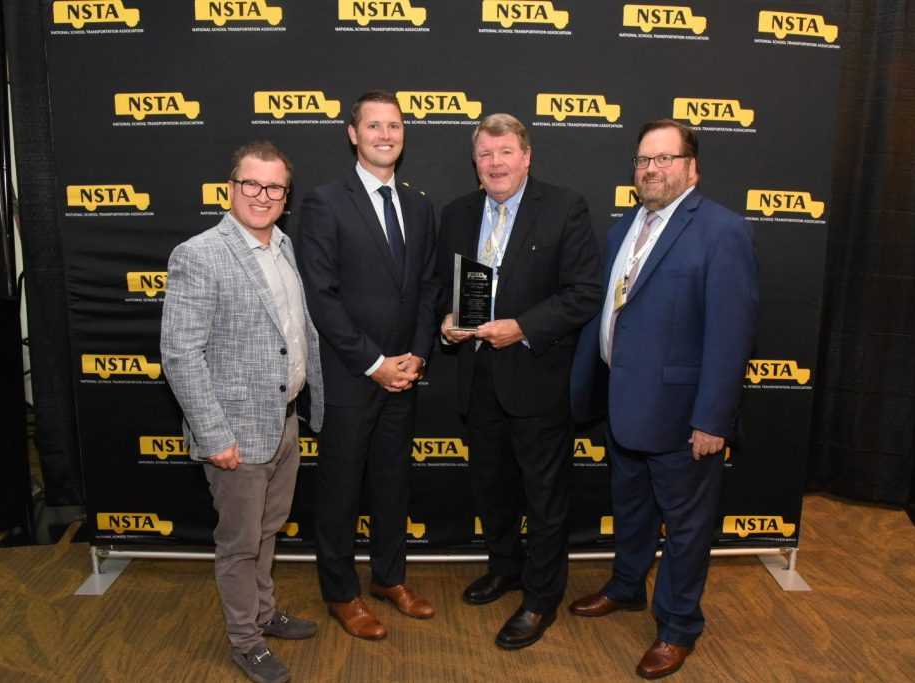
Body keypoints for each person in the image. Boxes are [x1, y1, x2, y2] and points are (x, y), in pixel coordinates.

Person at [568, 118, 759, 679]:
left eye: (664, 159)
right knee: (630, 513)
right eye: (643, 160)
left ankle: (677, 626)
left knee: (686, 527)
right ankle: (627, 587)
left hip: (683, 419)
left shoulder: (723, 231)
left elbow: (732, 335)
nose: (651, 169)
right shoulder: (622, 229)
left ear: (691, 167)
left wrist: (712, 420)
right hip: (623, 406)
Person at [161, 141, 324, 683]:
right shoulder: (199, 253)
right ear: (231, 188)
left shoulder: (284, 246)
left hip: (283, 420)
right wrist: (212, 435)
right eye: (251, 184)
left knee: (269, 529)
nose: (262, 195)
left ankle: (263, 611)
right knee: (238, 543)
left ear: (285, 195)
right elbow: (180, 352)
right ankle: (245, 640)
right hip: (233, 432)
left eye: (274, 187)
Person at [438, 113, 601, 649]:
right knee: (492, 488)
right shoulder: (458, 213)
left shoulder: (563, 206)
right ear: (475, 162)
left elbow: (583, 293)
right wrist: (447, 323)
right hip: (477, 376)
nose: (496, 163)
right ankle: (505, 567)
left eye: (505, 151)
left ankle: (540, 596)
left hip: (537, 377)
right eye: (485, 154)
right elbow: (446, 289)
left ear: (526, 157)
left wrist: (523, 328)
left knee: (544, 496)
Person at [295, 90, 439, 640]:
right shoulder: (324, 202)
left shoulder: (419, 204)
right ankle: (341, 592)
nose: (386, 134)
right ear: (352, 133)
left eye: (395, 126)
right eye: (374, 126)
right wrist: (375, 362)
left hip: (405, 375)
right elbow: (322, 297)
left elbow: (427, 288)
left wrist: (417, 357)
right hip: (351, 375)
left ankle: (389, 579)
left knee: (392, 482)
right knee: (340, 488)